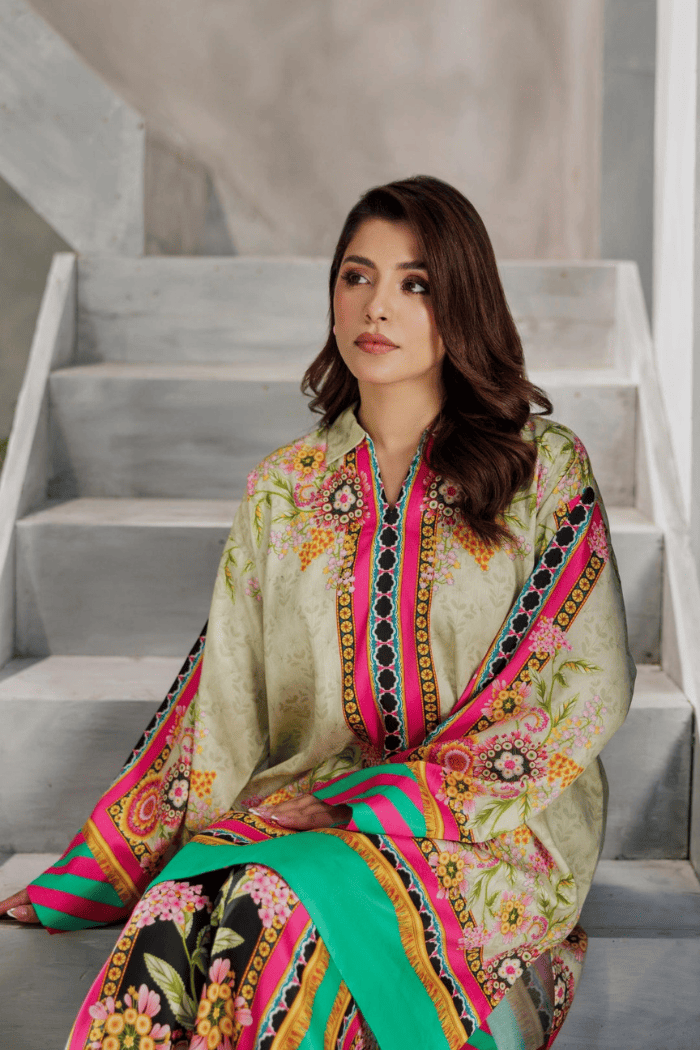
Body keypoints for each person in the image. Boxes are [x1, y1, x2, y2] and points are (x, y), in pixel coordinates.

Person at [0, 176, 634, 1050]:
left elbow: (584, 683)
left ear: (463, 301)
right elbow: (221, 697)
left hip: (492, 828)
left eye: (415, 283)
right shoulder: (284, 490)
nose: (377, 307)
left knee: (277, 909)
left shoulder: (541, 470)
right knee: (179, 912)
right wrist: (97, 868)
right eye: (356, 276)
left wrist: (382, 804)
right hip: (309, 804)